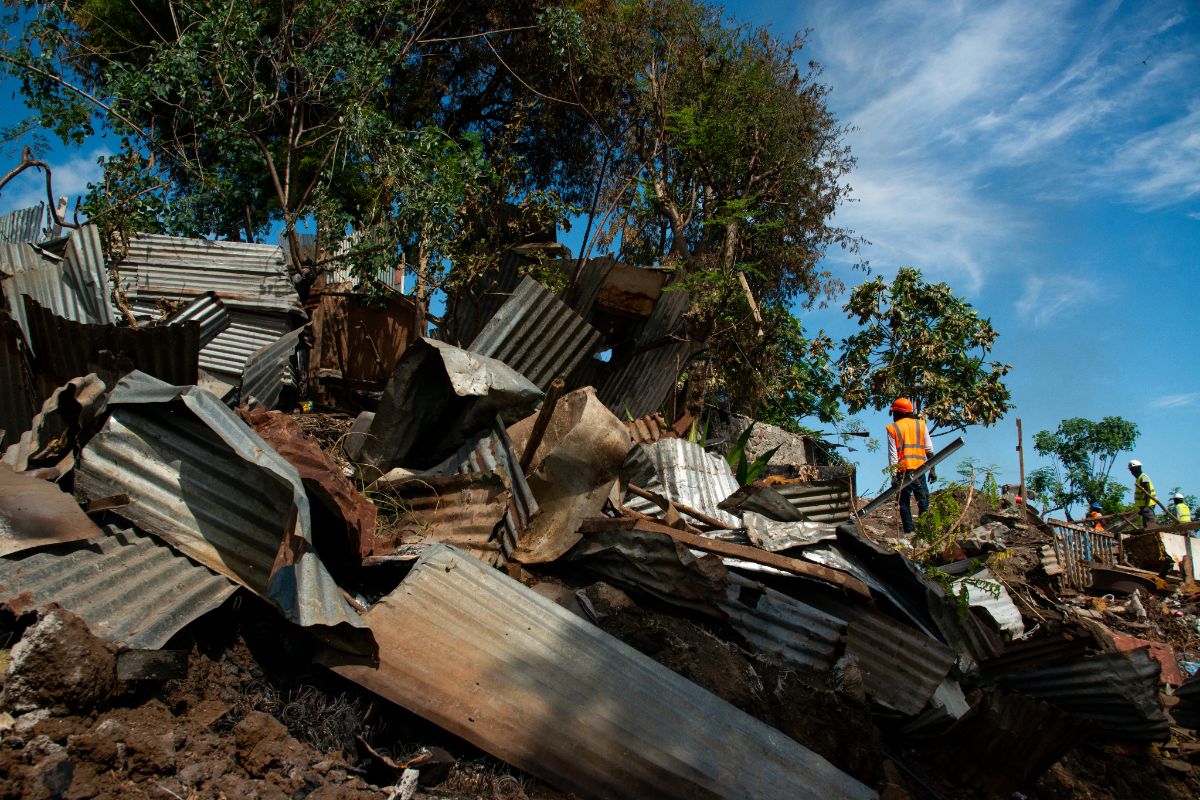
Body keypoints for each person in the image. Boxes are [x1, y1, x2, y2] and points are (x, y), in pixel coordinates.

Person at [886, 397, 934, 535]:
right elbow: (929, 449)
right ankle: (925, 533)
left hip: (903, 471)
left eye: (894, 412)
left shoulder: (892, 428)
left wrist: (894, 475)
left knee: (903, 503)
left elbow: (893, 454)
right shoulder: (921, 424)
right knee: (923, 499)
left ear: (900, 412)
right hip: (920, 468)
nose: (893, 415)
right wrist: (933, 469)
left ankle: (910, 532)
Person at [1129, 460, 1156, 529]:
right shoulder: (1139, 479)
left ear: (1137, 469)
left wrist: (1146, 506)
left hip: (1148, 504)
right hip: (1144, 506)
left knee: (1150, 525)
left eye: (1132, 470)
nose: (1132, 473)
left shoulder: (1143, 477)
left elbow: (1148, 492)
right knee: (1146, 525)